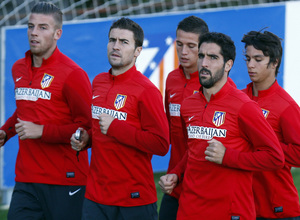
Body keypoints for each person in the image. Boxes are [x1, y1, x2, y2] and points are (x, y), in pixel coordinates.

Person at [159, 32, 285, 220]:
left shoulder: (245, 106)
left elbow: (275, 157)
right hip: (189, 210)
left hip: (230, 213)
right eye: (201, 56)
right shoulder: (189, 104)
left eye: (213, 57)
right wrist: (176, 174)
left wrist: (228, 156)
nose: (204, 63)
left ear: (228, 65)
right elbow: (193, 149)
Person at [70, 17, 169, 220]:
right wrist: (86, 139)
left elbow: (161, 144)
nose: (116, 46)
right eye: (112, 40)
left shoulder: (147, 91)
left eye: (124, 42)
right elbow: (98, 128)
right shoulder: (98, 82)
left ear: (137, 51)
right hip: (96, 197)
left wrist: (116, 128)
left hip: (134, 199)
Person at [0, 2, 92, 220]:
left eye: (42, 27)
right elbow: (25, 111)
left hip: (65, 180)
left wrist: (42, 131)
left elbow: (88, 127)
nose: (34, 33)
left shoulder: (73, 74)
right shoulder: (18, 68)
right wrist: (6, 131)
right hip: (26, 179)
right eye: (30, 26)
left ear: (57, 33)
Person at [242, 30, 300, 220]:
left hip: (278, 209)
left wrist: (265, 142)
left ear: (275, 62)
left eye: (258, 59)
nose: (250, 65)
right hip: (242, 205)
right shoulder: (237, 98)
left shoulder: (287, 106)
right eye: (248, 58)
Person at [158, 15, 209, 220]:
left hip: (203, 185)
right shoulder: (171, 79)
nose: (184, 52)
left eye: (191, 46)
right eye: (179, 44)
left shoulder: (212, 84)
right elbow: (170, 130)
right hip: (174, 183)